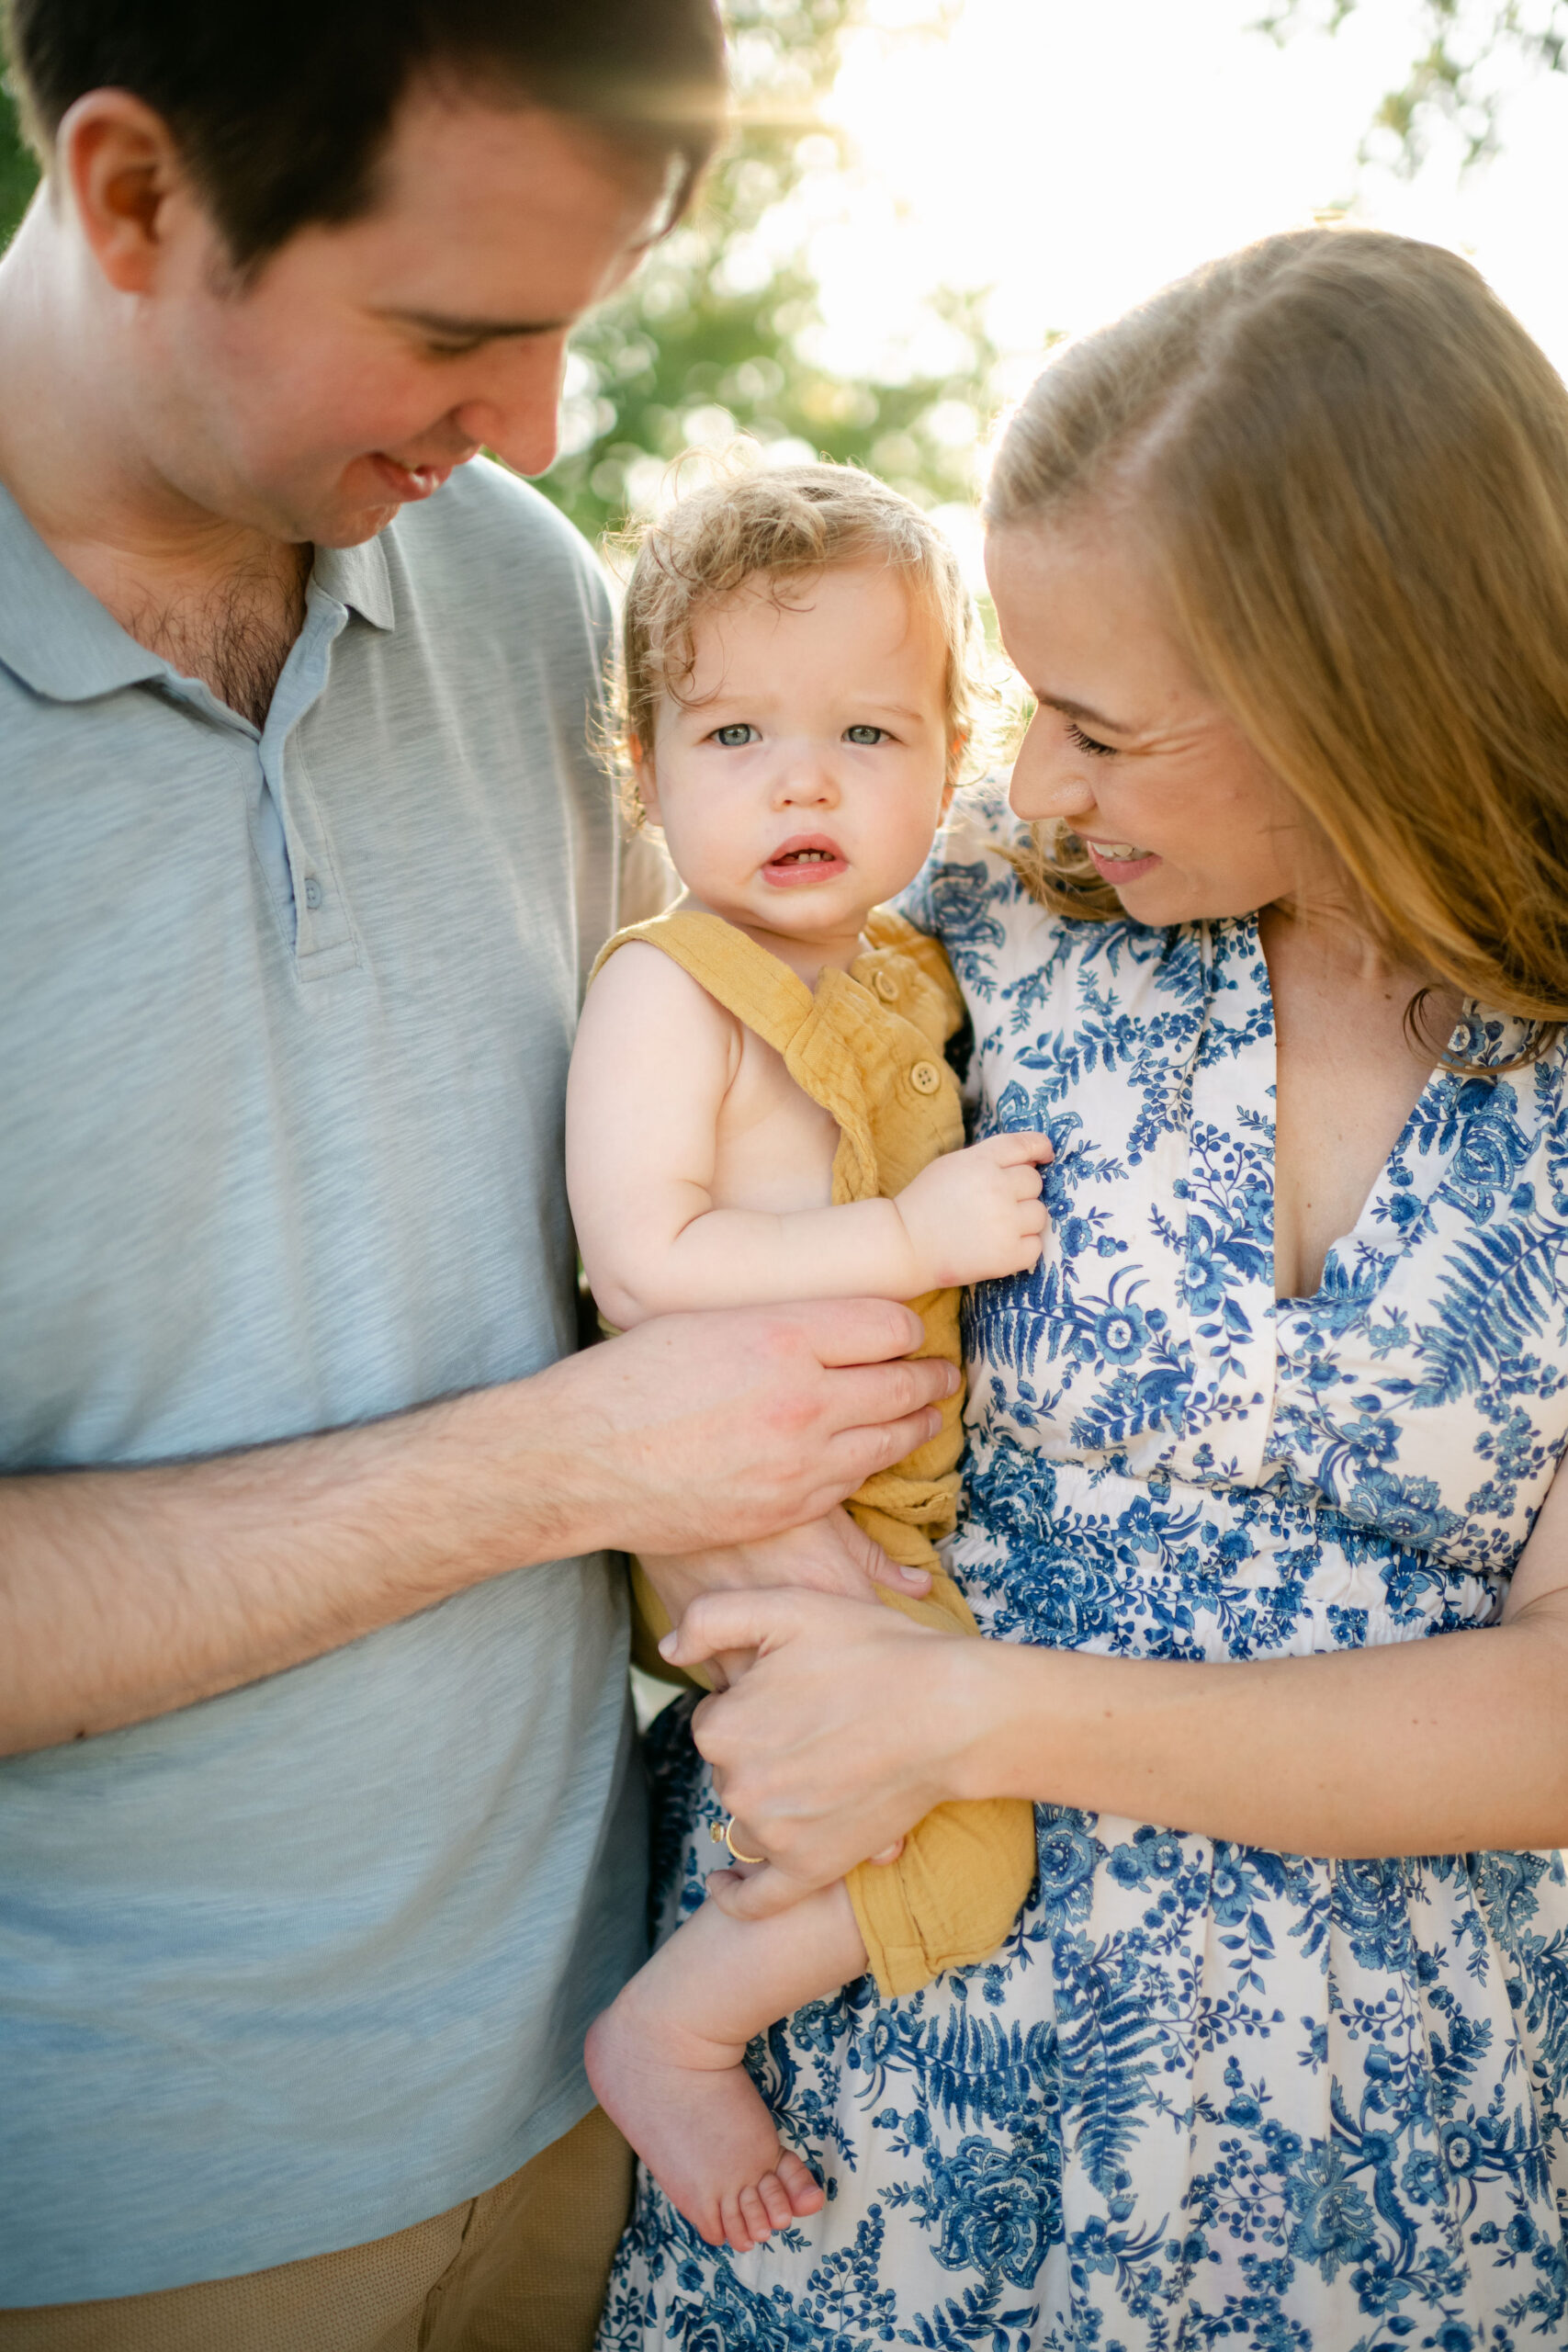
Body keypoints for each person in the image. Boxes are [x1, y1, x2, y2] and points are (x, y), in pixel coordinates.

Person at [0, 7, 963, 2346]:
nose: (533, 430)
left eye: (570, 326)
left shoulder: (525, 594)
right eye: (454, 332)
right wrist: (558, 1462)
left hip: (606, 2093)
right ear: (135, 197)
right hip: (129, 2203)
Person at [597, 228, 1568, 2351]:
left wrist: (973, 1707)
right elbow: (665, 1279)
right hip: (871, 2080)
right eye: (1024, 706)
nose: (1030, 787)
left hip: (1369, 2148)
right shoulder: (947, 921)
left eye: (1103, 730)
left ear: (1363, 701)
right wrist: (792, 1635)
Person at [565, 463, 1048, 2255]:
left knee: (913, 1802)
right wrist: (907, 1242)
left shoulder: (904, 968)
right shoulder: (668, 985)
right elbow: (644, 1255)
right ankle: (675, 2026)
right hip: (743, 1501)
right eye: (734, 730)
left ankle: (738, 1952)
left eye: (864, 728)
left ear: (948, 753)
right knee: (962, 1829)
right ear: (645, 766)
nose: (801, 779)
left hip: (868, 1508)